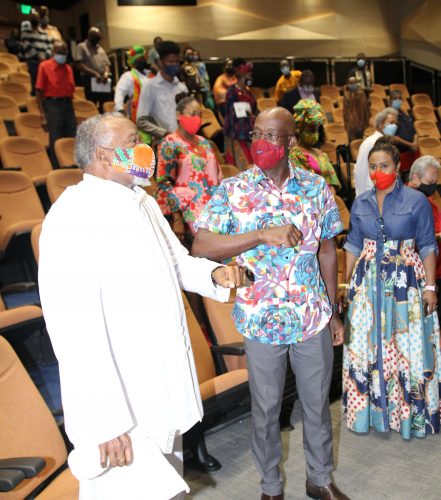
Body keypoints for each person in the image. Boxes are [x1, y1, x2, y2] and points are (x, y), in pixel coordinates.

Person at [38, 113, 246, 499]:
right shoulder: (72, 217)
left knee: (167, 478)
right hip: (120, 401)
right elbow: (73, 329)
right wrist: (103, 420)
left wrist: (214, 276)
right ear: (102, 154)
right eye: (132, 141)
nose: (144, 150)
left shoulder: (141, 201)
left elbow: (176, 261)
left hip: (158, 385)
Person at [193, 107, 349, 500]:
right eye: (256, 133)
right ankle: (270, 487)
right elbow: (203, 245)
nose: (260, 143)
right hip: (261, 320)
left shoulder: (316, 187)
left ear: (291, 142)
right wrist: (261, 234)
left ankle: (319, 479)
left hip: (311, 315)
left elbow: (327, 251)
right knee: (265, 410)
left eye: (272, 135)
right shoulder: (233, 189)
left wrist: (331, 311)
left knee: (316, 406)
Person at [343, 137, 441, 440]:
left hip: (406, 285)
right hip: (367, 286)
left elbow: (427, 245)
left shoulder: (416, 201)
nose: (377, 172)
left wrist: (430, 286)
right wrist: (347, 285)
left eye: (384, 165)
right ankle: (372, 412)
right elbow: (352, 245)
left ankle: (409, 415)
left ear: (398, 167)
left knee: (406, 349)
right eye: (372, 167)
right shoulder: (360, 202)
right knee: (366, 347)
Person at [155, 94, 222, 241]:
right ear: (179, 115)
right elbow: (164, 182)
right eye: (192, 114)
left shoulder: (205, 142)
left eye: (200, 114)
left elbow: (218, 176)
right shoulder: (169, 143)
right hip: (188, 211)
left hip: (214, 208)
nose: (197, 118)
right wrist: (177, 218)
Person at [408, 155, 441, 318]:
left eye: (436, 182)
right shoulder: (407, 202)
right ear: (415, 177)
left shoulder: (428, 201)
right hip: (419, 274)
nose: (433, 187)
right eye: (430, 182)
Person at [137, 40, 188, 143]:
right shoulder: (150, 86)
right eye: (170, 61)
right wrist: (165, 133)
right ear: (160, 63)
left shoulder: (182, 87)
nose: (174, 65)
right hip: (163, 143)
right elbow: (141, 121)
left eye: (177, 62)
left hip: (184, 142)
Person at [35, 40, 76, 167]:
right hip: (52, 104)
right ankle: (57, 168)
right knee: (56, 139)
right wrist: (42, 114)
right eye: (59, 52)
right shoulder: (44, 66)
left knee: (72, 137)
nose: (61, 55)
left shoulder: (68, 68)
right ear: (53, 52)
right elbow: (38, 90)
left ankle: (72, 165)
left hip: (68, 105)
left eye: (63, 52)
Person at [290, 99, 341, 189]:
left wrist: (330, 198)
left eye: (317, 130)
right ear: (300, 129)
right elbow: (304, 187)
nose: (315, 134)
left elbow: (332, 182)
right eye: (312, 129)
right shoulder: (294, 155)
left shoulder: (320, 153)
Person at [354, 107, 398, 197]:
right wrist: (361, 197)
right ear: (381, 125)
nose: (394, 126)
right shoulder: (369, 143)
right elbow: (360, 172)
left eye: (395, 123)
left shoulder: (389, 143)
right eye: (391, 123)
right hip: (370, 193)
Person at [223, 58, 257, 170]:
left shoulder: (247, 91)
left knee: (252, 163)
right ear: (241, 76)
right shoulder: (232, 92)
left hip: (249, 133)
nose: (251, 76)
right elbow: (231, 113)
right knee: (242, 165)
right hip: (237, 133)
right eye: (248, 74)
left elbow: (254, 109)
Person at [75, 27, 112, 109]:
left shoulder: (100, 48)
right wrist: (94, 73)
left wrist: (106, 73)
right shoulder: (81, 47)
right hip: (89, 79)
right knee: (92, 103)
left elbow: (107, 64)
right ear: (90, 37)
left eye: (98, 39)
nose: (97, 41)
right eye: (95, 38)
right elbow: (79, 64)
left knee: (105, 103)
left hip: (102, 79)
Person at [20, 13, 52, 95]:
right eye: (33, 19)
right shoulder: (25, 33)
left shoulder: (44, 33)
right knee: (35, 83)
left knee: (46, 83)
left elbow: (50, 46)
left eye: (37, 19)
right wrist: (38, 56)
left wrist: (45, 56)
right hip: (33, 61)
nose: (36, 21)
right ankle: (35, 101)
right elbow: (26, 46)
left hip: (45, 61)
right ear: (30, 21)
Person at [114, 45, 149, 119]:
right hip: (137, 114)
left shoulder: (150, 74)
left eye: (143, 59)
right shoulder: (128, 75)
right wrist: (120, 109)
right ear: (133, 62)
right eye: (139, 60)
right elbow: (119, 92)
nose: (142, 61)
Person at [388, 89, 418, 173]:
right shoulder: (389, 116)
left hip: (411, 152)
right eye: (395, 98)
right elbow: (393, 138)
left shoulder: (405, 114)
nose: (398, 100)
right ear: (390, 101)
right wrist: (411, 145)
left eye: (399, 98)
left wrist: (415, 143)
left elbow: (414, 131)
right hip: (398, 154)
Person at [343, 76, 370, 142]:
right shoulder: (346, 95)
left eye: (354, 83)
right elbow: (345, 112)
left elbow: (365, 109)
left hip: (360, 124)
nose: (353, 85)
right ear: (348, 84)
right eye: (351, 83)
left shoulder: (361, 94)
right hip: (350, 125)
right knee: (351, 143)